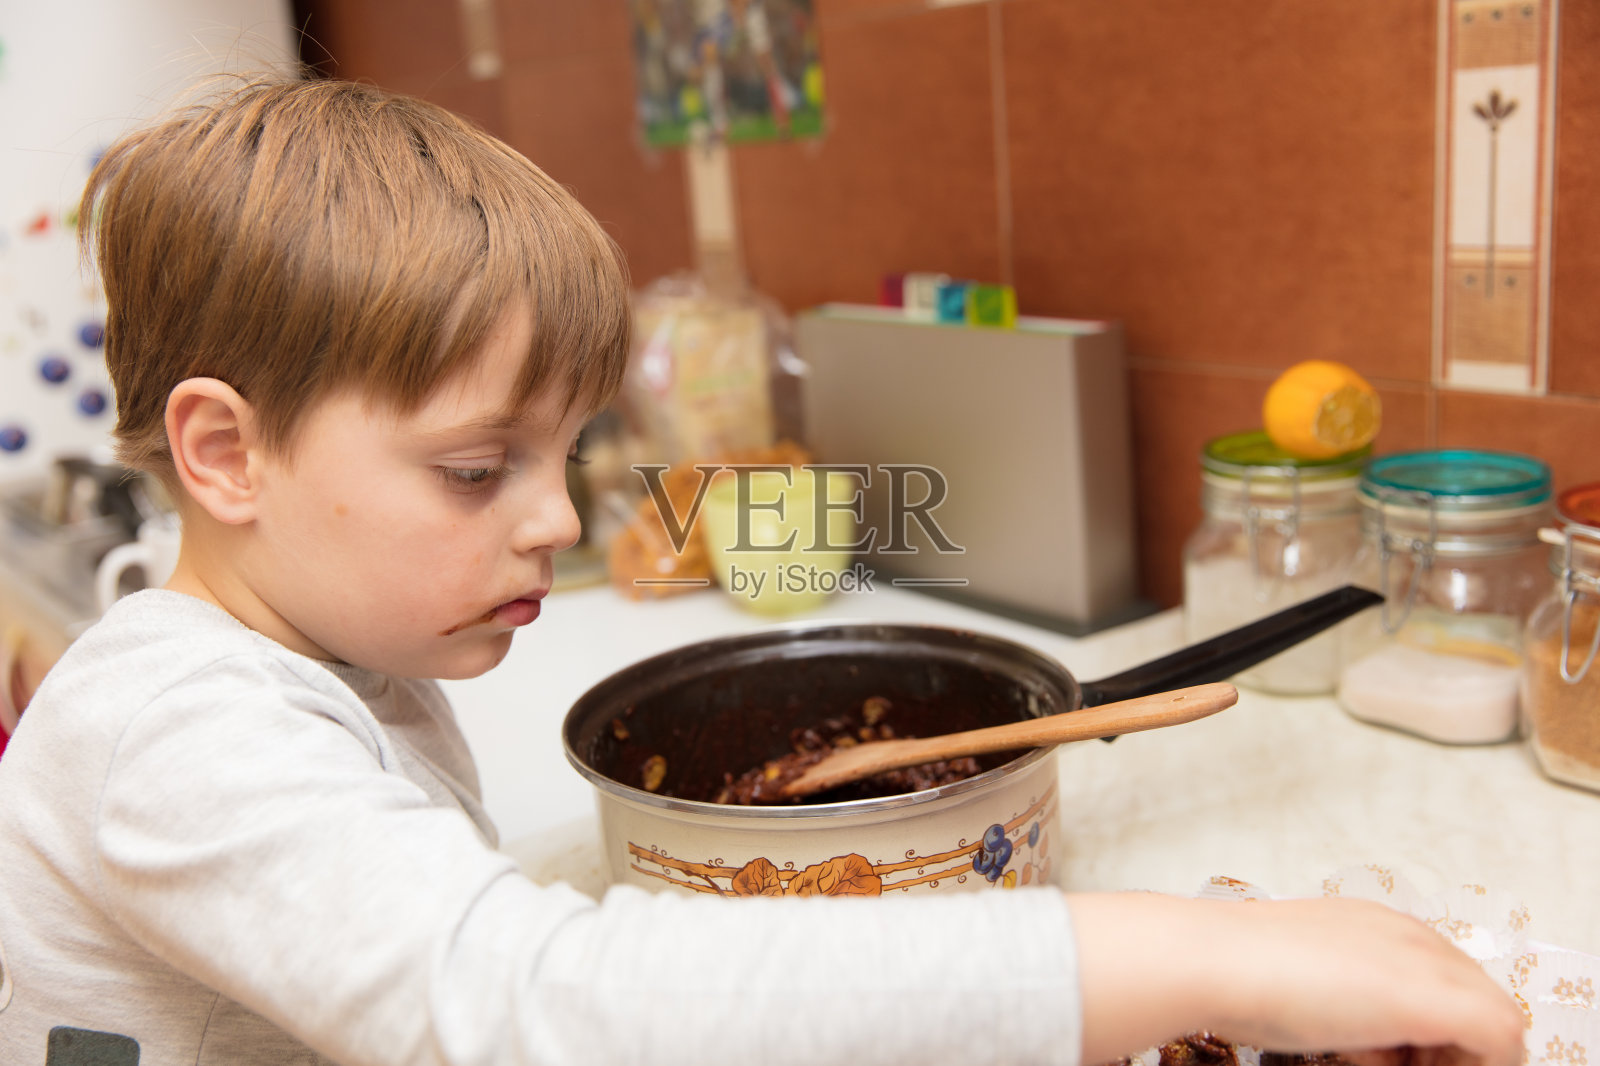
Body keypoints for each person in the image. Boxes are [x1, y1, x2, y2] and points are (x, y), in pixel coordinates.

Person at [0, 76, 1523, 1066]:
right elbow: (526, 1002)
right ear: (224, 452)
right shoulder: (176, 724)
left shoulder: (337, 657)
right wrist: (1201, 952)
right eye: (478, 467)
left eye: (566, 453)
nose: (552, 519)